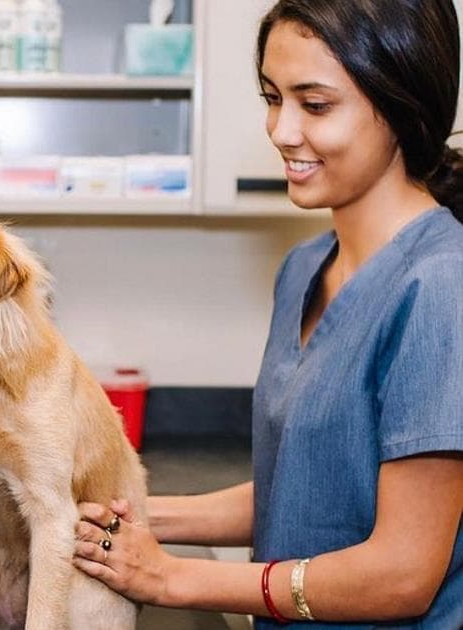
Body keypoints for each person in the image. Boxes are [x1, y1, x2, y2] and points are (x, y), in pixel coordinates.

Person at [74, 0, 462, 627]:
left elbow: (402, 574)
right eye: (272, 97)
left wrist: (173, 577)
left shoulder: (442, 285)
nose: (281, 131)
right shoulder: (305, 268)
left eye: (314, 105)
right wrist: (128, 515)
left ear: (401, 104)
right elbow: (304, 494)